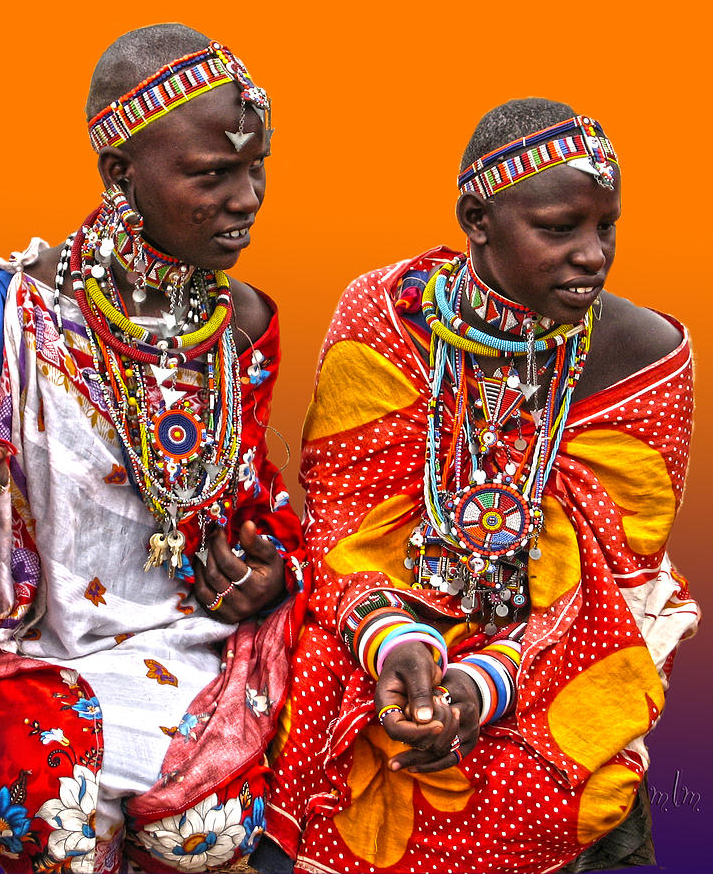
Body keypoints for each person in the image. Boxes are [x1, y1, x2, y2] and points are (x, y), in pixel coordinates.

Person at [0, 23, 307, 873]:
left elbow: (256, 508)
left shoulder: (240, 327)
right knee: (52, 810)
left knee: (205, 836)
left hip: (186, 652)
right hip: (20, 659)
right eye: (214, 174)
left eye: (257, 165)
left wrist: (267, 572)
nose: (249, 198)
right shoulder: (5, 315)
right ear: (120, 176)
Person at [258, 100, 699, 874]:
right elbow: (343, 522)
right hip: (384, 622)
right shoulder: (387, 316)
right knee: (321, 733)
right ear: (477, 218)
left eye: (608, 228)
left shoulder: (643, 356)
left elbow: (615, 578)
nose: (593, 255)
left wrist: (481, 684)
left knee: (555, 782)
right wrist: (395, 642)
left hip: (561, 645)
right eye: (560, 229)